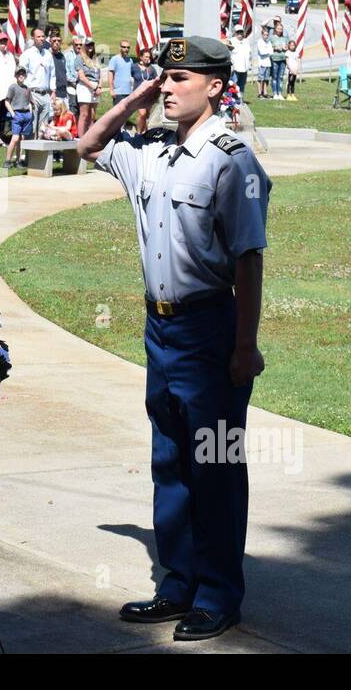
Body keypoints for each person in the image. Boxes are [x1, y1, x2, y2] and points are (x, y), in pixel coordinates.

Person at [78, 35, 270, 643]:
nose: (167, 87)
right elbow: (87, 146)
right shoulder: (150, 153)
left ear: (215, 87)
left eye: (179, 80)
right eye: (164, 78)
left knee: (215, 463)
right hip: (159, 328)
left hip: (210, 327)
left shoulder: (233, 160)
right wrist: (134, 94)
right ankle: (177, 585)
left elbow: (248, 259)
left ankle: (218, 595)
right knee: (170, 461)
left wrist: (244, 345)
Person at [20, 28, 53, 139]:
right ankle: (30, 154)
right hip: (32, 93)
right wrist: (26, 92)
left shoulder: (48, 54)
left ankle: (41, 154)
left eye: (43, 36)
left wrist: (53, 91)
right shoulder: (27, 54)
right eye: (38, 37)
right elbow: (21, 74)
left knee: (43, 127)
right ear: (33, 38)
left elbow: (52, 74)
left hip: (46, 94)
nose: (41, 39)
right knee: (32, 125)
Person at [2, 66, 33, 169]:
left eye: (23, 74)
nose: (21, 76)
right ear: (15, 75)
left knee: (21, 139)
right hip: (17, 114)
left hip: (26, 115)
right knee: (15, 138)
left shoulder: (27, 88)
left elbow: (30, 102)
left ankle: (19, 160)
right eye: (19, 74)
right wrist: (13, 113)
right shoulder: (13, 87)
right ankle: (7, 160)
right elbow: (7, 101)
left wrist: (30, 112)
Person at [74, 38, 100, 138]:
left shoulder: (95, 58)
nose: (90, 47)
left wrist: (99, 86)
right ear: (84, 46)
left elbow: (100, 74)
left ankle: (91, 137)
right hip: (85, 86)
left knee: (92, 115)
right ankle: (81, 138)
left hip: (95, 86)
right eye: (88, 45)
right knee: (84, 114)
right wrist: (92, 86)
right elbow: (81, 76)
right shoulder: (79, 58)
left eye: (92, 45)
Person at [134, 48, 158, 134]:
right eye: (146, 57)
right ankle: (138, 133)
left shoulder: (151, 69)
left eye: (149, 57)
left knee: (146, 116)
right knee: (142, 114)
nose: (148, 58)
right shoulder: (134, 67)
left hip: (149, 95)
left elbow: (156, 79)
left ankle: (145, 132)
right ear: (140, 57)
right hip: (139, 95)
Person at [109, 39, 136, 110]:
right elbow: (110, 74)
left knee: (125, 113)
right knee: (117, 113)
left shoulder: (130, 60)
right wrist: (111, 90)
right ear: (120, 47)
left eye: (128, 47)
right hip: (118, 92)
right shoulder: (114, 59)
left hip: (128, 91)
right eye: (124, 47)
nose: (126, 49)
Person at [228, 27, 250, 101]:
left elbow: (249, 54)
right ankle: (232, 100)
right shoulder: (231, 41)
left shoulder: (246, 41)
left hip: (245, 68)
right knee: (234, 85)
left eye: (241, 32)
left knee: (242, 85)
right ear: (235, 33)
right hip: (235, 67)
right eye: (238, 32)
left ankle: (240, 100)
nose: (240, 34)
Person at [268, 19, 287, 99]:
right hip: (275, 59)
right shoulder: (271, 37)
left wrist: (285, 48)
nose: (280, 30)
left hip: (283, 59)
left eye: (281, 29)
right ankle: (275, 93)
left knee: (281, 77)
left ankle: (280, 93)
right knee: (275, 76)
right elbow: (268, 46)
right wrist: (275, 47)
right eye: (278, 29)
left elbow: (287, 47)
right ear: (275, 29)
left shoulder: (284, 38)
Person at [254, 25, 272, 99]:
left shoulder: (268, 42)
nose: (266, 36)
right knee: (260, 78)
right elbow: (262, 52)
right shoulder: (259, 42)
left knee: (266, 78)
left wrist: (268, 51)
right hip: (262, 63)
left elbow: (272, 52)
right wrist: (268, 51)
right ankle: (259, 93)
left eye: (267, 35)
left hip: (268, 63)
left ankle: (265, 92)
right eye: (264, 34)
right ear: (262, 34)